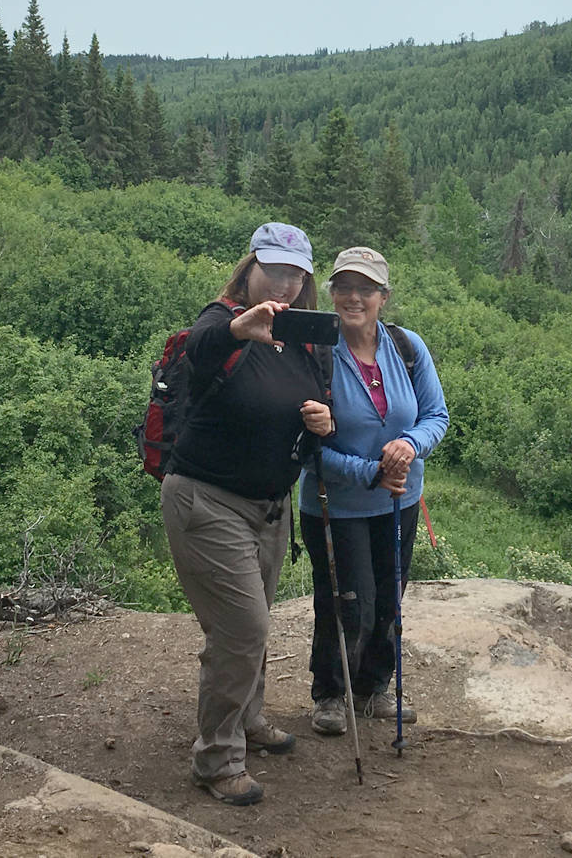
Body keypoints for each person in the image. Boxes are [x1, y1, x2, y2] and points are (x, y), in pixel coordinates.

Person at [160, 221, 335, 807]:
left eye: (294, 271)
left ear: (306, 277)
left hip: (269, 507)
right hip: (206, 500)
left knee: (251, 624)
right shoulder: (222, 320)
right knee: (243, 628)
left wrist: (320, 421)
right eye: (273, 267)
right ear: (251, 266)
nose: (283, 281)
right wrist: (240, 328)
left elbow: (310, 415)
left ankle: (248, 720)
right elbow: (197, 354)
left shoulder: (307, 340)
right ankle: (216, 759)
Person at [300, 246, 449, 736]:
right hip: (337, 504)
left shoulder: (407, 347)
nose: (353, 297)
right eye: (344, 287)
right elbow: (307, 449)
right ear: (332, 292)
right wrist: (371, 472)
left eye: (365, 288)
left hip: (399, 500)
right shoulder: (318, 355)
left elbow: (436, 417)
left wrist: (408, 444)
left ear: (383, 296)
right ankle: (330, 694)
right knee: (348, 602)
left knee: (389, 598)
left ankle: (373, 688)